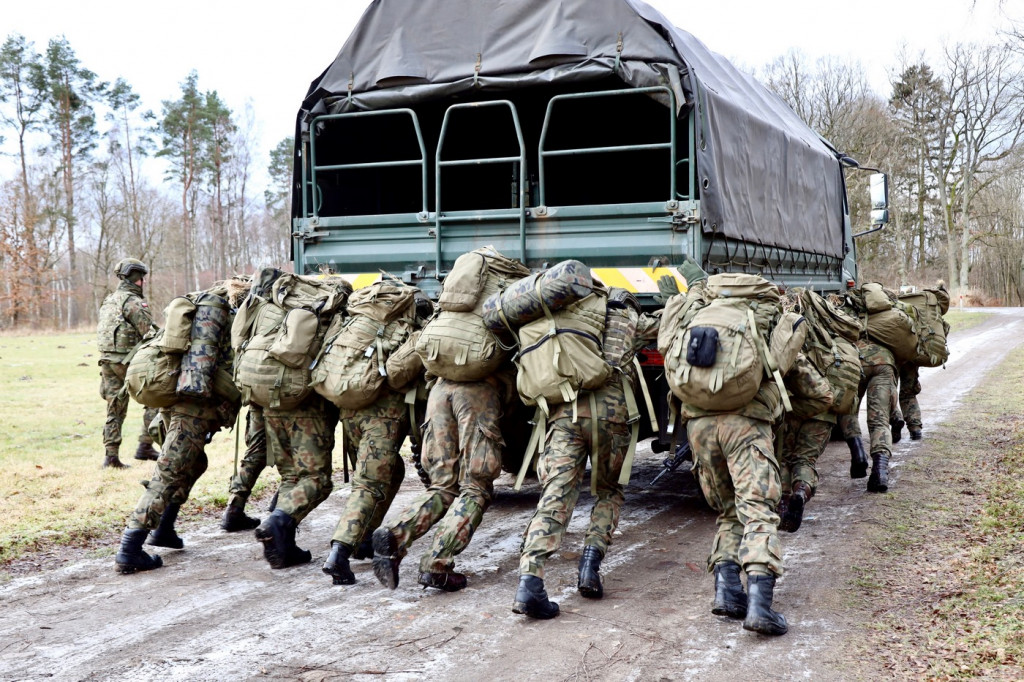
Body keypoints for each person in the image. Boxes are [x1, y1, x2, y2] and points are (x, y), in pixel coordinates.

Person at [511, 288, 657, 620]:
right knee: (609, 490)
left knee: (556, 495)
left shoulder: (568, 319)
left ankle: (529, 582)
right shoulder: (629, 319)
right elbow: (668, 326)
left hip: (565, 414)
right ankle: (590, 565)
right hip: (611, 417)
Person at [664, 258, 790, 636]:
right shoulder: (763, 313)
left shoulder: (700, 312)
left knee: (728, 510)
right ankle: (760, 607)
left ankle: (726, 591)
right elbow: (784, 365)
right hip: (745, 424)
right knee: (757, 510)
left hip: (699, 426)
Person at [114, 280, 244, 573]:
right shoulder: (224, 316)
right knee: (169, 472)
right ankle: (130, 549)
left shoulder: (199, 312)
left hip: (177, 400)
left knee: (194, 463)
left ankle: (165, 529)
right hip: (192, 407)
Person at [369, 370, 513, 592]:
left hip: (439, 391)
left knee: (442, 486)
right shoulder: (489, 335)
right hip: (477, 393)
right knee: (475, 489)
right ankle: (436, 565)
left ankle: (394, 533)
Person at [255, 393, 339, 569]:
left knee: (290, 476)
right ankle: (276, 523)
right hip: (306, 406)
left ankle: (284, 547)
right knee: (317, 479)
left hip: (271, 405)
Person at [97, 258, 159, 469]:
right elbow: (149, 333)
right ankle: (145, 446)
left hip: (107, 361)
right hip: (128, 361)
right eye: (141, 278)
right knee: (155, 399)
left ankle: (111, 457)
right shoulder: (132, 302)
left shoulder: (110, 300)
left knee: (115, 408)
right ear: (137, 278)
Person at [776, 356, 834, 532]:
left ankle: (783, 506)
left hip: (791, 410)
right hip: (823, 414)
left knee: (783, 458)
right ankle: (801, 491)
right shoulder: (833, 348)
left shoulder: (796, 350)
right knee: (805, 459)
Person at [220, 405, 272, 532]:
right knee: (294, 452)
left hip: (259, 398)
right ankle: (284, 509)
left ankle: (234, 507)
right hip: (291, 401)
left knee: (255, 454)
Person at [856, 338, 897, 493]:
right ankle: (880, 471)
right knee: (879, 421)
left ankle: (858, 456)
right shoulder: (884, 319)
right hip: (883, 362)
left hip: (854, 359)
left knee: (849, 412)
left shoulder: (843, 316)